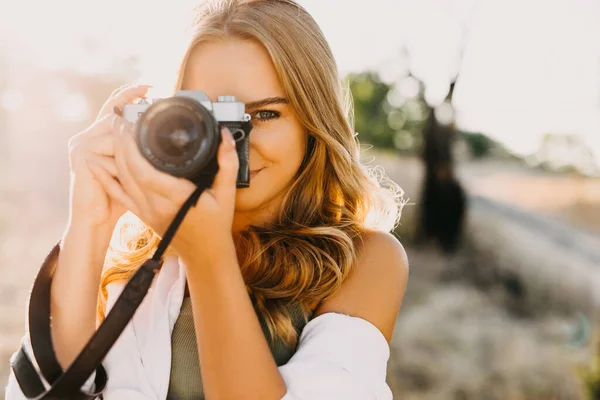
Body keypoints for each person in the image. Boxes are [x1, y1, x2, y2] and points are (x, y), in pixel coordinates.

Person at [5, 0, 409, 399]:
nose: (230, 144)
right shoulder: (139, 253)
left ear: (312, 122)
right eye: (208, 118)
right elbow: (47, 392)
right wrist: (89, 228)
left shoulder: (365, 260)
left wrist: (208, 257)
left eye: (264, 115)